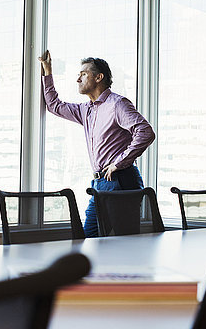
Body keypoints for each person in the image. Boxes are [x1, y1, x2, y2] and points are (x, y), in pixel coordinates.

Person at [38, 50, 155, 237]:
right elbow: (54, 106)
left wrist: (119, 163)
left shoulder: (118, 104)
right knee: (89, 238)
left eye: (83, 74)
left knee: (126, 243)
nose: (78, 79)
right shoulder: (86, 110)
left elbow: (145, 132)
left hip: (121, 180)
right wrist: (47, 71)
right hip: (100, 183)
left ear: (99, 77)